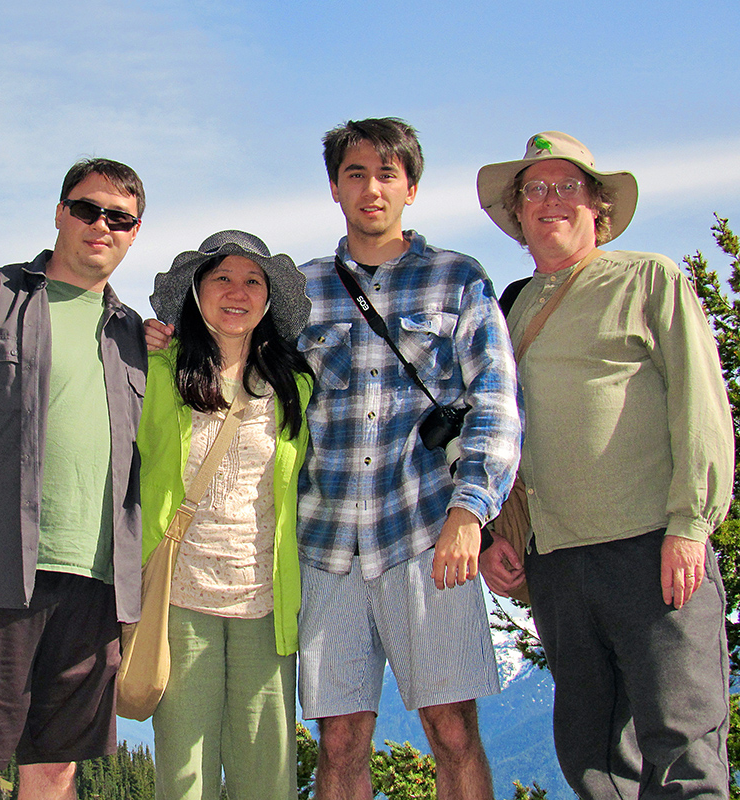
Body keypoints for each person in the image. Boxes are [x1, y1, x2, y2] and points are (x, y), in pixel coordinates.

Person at [145, 118, 522, 800]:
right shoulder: (306, 291)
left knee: (454, 731)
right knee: (340, 742)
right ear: (334, 187)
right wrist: (164, 339)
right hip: (323, 547)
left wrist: (473, 511)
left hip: (426, 536)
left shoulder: (458, 280)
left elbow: (495, 401)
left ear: (412, 186)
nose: (371, 188)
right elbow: (237, 357)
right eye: (355, 173)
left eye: (387, 174)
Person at [477, 131, 733, 799]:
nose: (551, 200)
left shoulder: (648, 279)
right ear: (518, 212)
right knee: (593, 760)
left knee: (682, 749)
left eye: (568, 187)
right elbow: (496, 427)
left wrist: (690, 525)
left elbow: (700, 404)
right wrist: (497, 537)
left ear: (598, 209)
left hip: (651, 547)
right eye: (535, 189)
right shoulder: (509, 307)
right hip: (556, 563)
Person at [0, 158, 147, 800]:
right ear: (59, 213)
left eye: (119, 218)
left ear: (133, 236)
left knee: (56, 770)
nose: (101, 225)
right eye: (87, 208)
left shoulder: (137, 338)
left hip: (97, 582)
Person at [141, 230, 313, 800]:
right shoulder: (158, 373)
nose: (237, 292)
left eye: (252, 281)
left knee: (267, 774)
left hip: (265, 599)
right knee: (183, 772)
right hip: (179, 596)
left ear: (267, 300)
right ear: (196, 290)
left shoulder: (296, 386)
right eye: (222, 278)